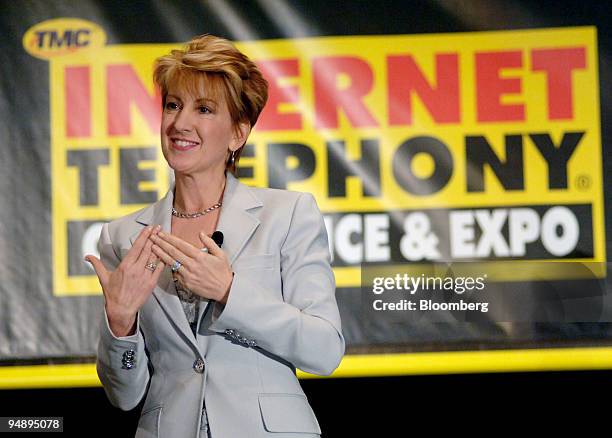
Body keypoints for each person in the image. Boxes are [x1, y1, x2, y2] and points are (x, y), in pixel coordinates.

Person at [85, 34, 345, 438]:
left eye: (203, 109)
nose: (180, 123)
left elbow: (324, 349)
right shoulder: (124, 238)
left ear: (238, 134)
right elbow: (124, 395)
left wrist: (229, 291)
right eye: (173, 105)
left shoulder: (288, 215)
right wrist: (119, 324)